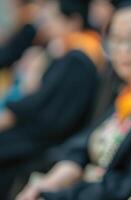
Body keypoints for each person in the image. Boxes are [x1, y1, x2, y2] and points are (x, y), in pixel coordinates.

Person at [16, 3, 131, 200]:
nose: (123, 49)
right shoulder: (118, 94)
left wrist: (56, 195)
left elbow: (129, 182)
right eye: (116, 39)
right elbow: (83, 143)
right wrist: (54, 181)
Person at [0, 0, 103, 198]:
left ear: (73, 21)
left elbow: (45, 109)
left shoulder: (78, 58)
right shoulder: (66, 52)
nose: (47, 24)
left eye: (53, 18)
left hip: (47, 141)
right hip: (43, 133)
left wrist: (26, 92)